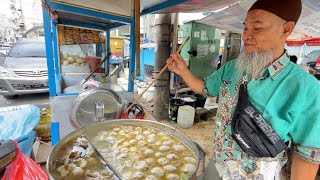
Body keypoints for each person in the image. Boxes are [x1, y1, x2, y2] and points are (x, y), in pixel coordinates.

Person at [166, 0, 320, 179]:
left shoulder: (305, 87)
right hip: (219, 165)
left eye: (257, 28)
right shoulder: (233, 68)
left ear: (286, 29)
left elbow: (307, 155)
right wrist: (183, 71)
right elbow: (206, 88)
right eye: (245, 28)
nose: (246, 35)